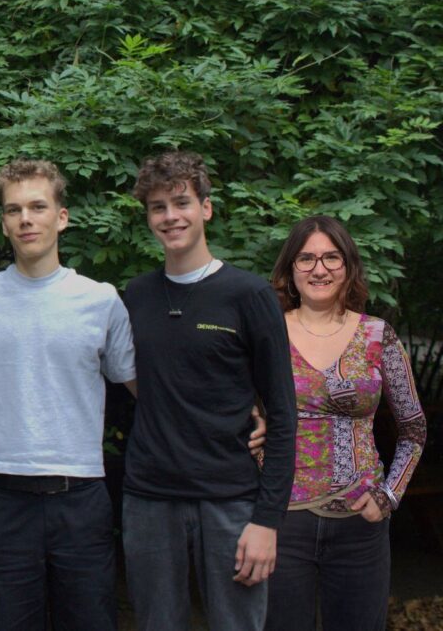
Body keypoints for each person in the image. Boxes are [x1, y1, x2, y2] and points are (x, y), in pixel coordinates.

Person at [0, 159, 137, 630]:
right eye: (14, 210)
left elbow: (141, 385)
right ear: (4, 224)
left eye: (37, 207)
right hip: (2, 499)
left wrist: (237, 413)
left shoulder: (100, 299)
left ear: (61, 217)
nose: (25, 219)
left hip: (81, 497)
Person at [122, 150, 297, 631]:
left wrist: (267, 521)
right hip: (149, 499)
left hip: (232, 500)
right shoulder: (135, 296)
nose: (170, 216)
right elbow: (127, 388)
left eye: (181, 202)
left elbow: (283, 414)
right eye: (158, 207)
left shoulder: (248, 295)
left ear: (206, 208)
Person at [264, 215, 426, 631]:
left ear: (349, 265)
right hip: (282, 522)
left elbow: (413, 429)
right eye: (306, 258)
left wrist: (389, 496)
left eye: (331, 257)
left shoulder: (377, 336)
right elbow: (233, 408)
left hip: (360, 525)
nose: (319, 269)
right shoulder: (266, 334)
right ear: (290, 268)